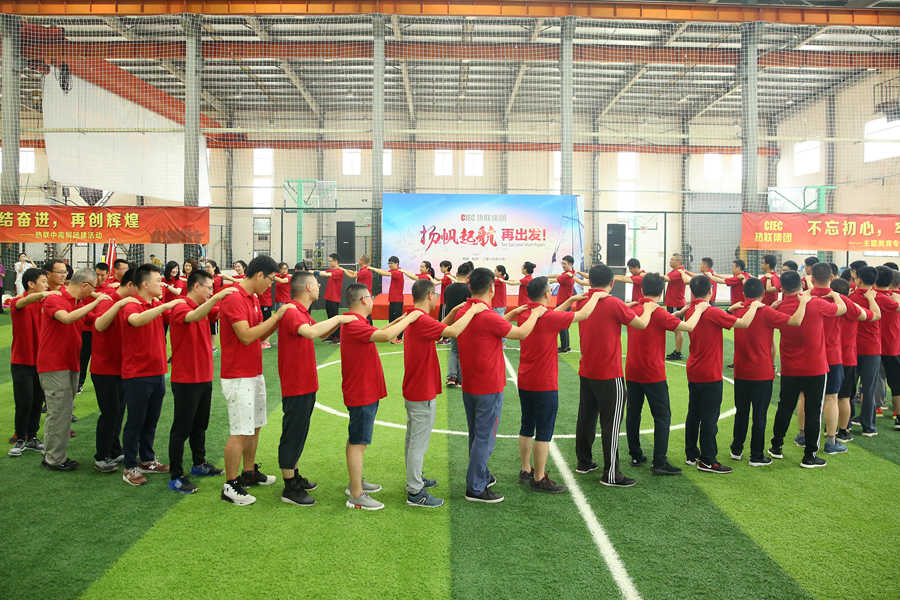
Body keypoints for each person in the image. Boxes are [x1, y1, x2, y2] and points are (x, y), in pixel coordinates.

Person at [455, 267, 546, 503]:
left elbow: (490, 326)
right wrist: (536, 314)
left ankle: (480, 475)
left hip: (471, 384)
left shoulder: (465, 311)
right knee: (485, 438)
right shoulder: (487, 315)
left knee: (477, 435)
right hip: (488, 385)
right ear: (491, 288)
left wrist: (511, 314)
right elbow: (521, 333)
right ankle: (476, 487)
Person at [511, 276, 603, 492]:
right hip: (544, 383)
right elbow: (583, 315)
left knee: (527, 425)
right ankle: (539, 478)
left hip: (525, 379)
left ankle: (526, 470)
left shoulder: (525, 313)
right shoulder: (548, 317)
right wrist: (596, 296)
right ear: (546, 294)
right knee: (544, 431)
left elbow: (552, 314)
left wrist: (569, 300)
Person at [402, 279, 486, 507]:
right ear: (430, 295)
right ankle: (415, 490)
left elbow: (439, 328)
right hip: (421, 390)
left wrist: (454, 311)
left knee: (413, 439)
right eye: (436, 295)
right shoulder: (420, 319)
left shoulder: (416, 316)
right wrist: (473, 311)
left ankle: (415, 479)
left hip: (416, 387)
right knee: (418, 442)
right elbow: (454, 331)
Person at [218, 255, 293, 506]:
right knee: (240, 429)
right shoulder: (234, 298)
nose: (271, 285)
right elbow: (247, 336)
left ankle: (248, 472)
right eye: (270, 279)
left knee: (255, 425)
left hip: (253, 371)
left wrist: (278, 321)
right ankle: (230, 484)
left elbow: (260, 334)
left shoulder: (252, 298)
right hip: (237, 375)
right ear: (259, 275)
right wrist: (277, 317)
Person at [277, 271, 355, 506]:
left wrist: (337, 324)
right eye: (317, 284)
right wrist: (339, 319)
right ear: (308, 288)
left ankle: (294, 475)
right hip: (296, 385)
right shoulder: (292, 311)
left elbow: (317, 331)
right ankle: (289, 486)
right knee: (293, 433)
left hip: (305, 383)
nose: (320, 286)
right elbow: (310, 332)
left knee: (299, 432)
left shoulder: (301, 312)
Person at [341, 283, 422, 510]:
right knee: (358, 443)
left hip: (364, 390)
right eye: (371, 296)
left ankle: (355, 482)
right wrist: (411, 318)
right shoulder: (354, 323)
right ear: (363, 300)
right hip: (362, 392)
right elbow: (385, 336)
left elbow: (381, 332)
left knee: (356, 439)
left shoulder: (357, 322)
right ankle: (356, 494)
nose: (373, 299)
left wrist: (399, 320)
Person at [573, 263, 654, 486]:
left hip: (587, 371)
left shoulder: (583, 301)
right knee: (611, 424)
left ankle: (584, 462)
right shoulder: (613, 303)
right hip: (609, 374)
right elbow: (641, 324)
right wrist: (649, 308)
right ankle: (611, 474)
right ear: (611, 282)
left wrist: (627, 306)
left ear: (590, 281)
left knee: (586, 418)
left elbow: (605, 313)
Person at [625, 272, 708, 476]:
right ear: (661, 292)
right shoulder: (658, 312)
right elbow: (688, 327)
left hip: (632, 370)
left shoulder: (634, 309)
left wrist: (681, 311)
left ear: (642, 289)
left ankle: (635, 454)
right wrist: (699, 309)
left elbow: (667, 320)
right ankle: (659, 462)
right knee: (662, 416)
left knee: (633, 413)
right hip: (652, 373)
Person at [166, 270, 237, 494]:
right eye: (209, 288)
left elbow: (220, 310)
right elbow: (193, 316)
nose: (211, 292)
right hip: (186, 379)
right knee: (181, 428)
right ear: (196, 286)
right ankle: (176, 475)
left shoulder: (204, 307)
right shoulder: (181, 306)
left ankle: (199, 463)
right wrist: (217, 297)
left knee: (200, 425)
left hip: (204, 377)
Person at [683, 275, 761, 474]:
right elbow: (743, 323)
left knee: (694, 413)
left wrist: (730, 309)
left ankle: (691, 454)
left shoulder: (691, 310)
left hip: (694, 369)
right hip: (709, 372)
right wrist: (754, 306)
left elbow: (715, 320)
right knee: (709, 417)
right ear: (710, 291)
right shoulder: (711, 312)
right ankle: (708, 460)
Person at [769, 268, 845, 468]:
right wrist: (835, 295)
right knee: (813, 410)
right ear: (801, 285)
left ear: (782, 288)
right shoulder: (815, 303)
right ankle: (809, 456)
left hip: (790, 368)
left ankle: (776, 446)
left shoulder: (779, 307)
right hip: (814, 368)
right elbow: (841, 309)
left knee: (785, 407)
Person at [727, 277, 807, 467]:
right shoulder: (766, 312)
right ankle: (756, 455)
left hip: (741, 371)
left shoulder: (738, 309)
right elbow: (795, 321)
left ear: (744, 293)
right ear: (763, 294)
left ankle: (736, 449)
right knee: (759, 415)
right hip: (761, 372)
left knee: (742, 412)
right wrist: (803, 302)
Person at [119, 264, 186, 486]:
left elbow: (178, 316)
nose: (162, 284)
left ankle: (147, 459)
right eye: (158, 280)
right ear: (145, 284)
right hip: (137, 374)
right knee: (135, 421)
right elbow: (136, 320)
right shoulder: (131, 304)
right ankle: (130, 466)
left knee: (151, 419)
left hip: (157, 372)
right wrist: (166, 304)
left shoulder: (155, 304)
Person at [37, 268, 109, 471]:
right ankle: (53, 458)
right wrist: (96, 301)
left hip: (70, 363)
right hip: (53, 365)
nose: (94, 293)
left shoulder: (78, 303)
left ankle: (54, 454)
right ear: (85, 285)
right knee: (58, 412)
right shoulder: (55, 299)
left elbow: (95, 321)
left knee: (64, 411)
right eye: (92, 289)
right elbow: (66, 318)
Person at [86, 269, 138, 472]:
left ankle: (114, 450)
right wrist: (118, 305)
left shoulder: (128, 302)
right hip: (105, 368)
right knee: (110, 413)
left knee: (118, 411)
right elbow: (99, 325)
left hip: (121, 367)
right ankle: (101, 456)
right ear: (131, 285)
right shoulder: (108, 301)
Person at [8, 268, 53, 457]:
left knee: (37, 401)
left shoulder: (46, 303)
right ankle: (20, 438)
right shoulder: (18, 302)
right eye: (43, 281)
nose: (46, 285)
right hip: (22, 361)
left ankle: (32, 437)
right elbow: (22, 302)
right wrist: (43, 294)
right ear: (31, 284)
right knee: (24, 401)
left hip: (41, 361)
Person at [849, 266, 897, 437]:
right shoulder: (880, 298)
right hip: (872, 350)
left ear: (859, 280)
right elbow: (896, 305)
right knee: (868, 389)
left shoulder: (851, 297)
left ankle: (846, 423)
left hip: (853, 348)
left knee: (849, 388)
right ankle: (868, 426)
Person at [834, 277, 877, 443]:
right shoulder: (852, 306)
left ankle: (830, 428)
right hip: (847, 357)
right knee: (845, 396)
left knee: (830, 396)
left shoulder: (824, 305)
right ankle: (843, 430)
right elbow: (875, 315)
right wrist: (871, 299)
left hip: (829, 358)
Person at [875, 266, 900, 430]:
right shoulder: (892, 298)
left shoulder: (874, 297)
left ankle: (873, 412)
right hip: (892, 346)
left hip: (876, 346)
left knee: (874, 381)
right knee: (895, 383)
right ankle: (897, 416)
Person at [443, 261, 473, 388]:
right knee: (464, 351)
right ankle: (460, 379)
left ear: (456, 273)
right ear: (469, 276)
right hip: (465, 323)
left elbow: (446, 305)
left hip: (452, 322)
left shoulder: (449, 288)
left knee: (454, 350)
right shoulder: (469, 289)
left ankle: (451, 377)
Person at [554, 255, 589, 354]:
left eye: (564, 264)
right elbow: (558, 277)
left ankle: (564, 347)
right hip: (564, 303)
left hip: (564, 303)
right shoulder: (568, 274)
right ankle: (566, 346)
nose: (562, 265)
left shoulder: (568, 275)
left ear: (570, 264)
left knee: (562, 326)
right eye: (562, 263)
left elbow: (559, 279)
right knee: (563, 326)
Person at [368, 256, 406, 341]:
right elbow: (384, 272)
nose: (389, 265)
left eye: (391, 263)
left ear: (397, 263)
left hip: (397, 300)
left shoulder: (398, 272)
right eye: (389, 263)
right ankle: (392, 336)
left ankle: (399, 338)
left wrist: (372, 268)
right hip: (393, 300)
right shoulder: (394, 271)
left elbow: (385, 273)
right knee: (392, 319)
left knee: (398, 320)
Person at [315, 253, 348, 343]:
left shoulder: (339, 271)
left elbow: (327, 274)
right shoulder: (331, 270)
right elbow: (325, 272)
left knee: (334, 318)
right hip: (328, 298)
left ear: (336, 261)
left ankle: (338, 337)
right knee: (330, 319)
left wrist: (316, 272)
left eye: (330, 261)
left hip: (334, 299)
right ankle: (332, 335)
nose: (329, 263)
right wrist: (312, 271)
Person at [664, 253, 690, 361]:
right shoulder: (675, 271)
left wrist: (651, 276)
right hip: (673, 303)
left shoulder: (679, 271)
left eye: (672, 260)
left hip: (676, 304)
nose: (670, 261)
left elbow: (665, 278)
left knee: (677, 328)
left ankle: (678, 353)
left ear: (678, 262)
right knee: (676, 328)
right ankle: (677, 352)